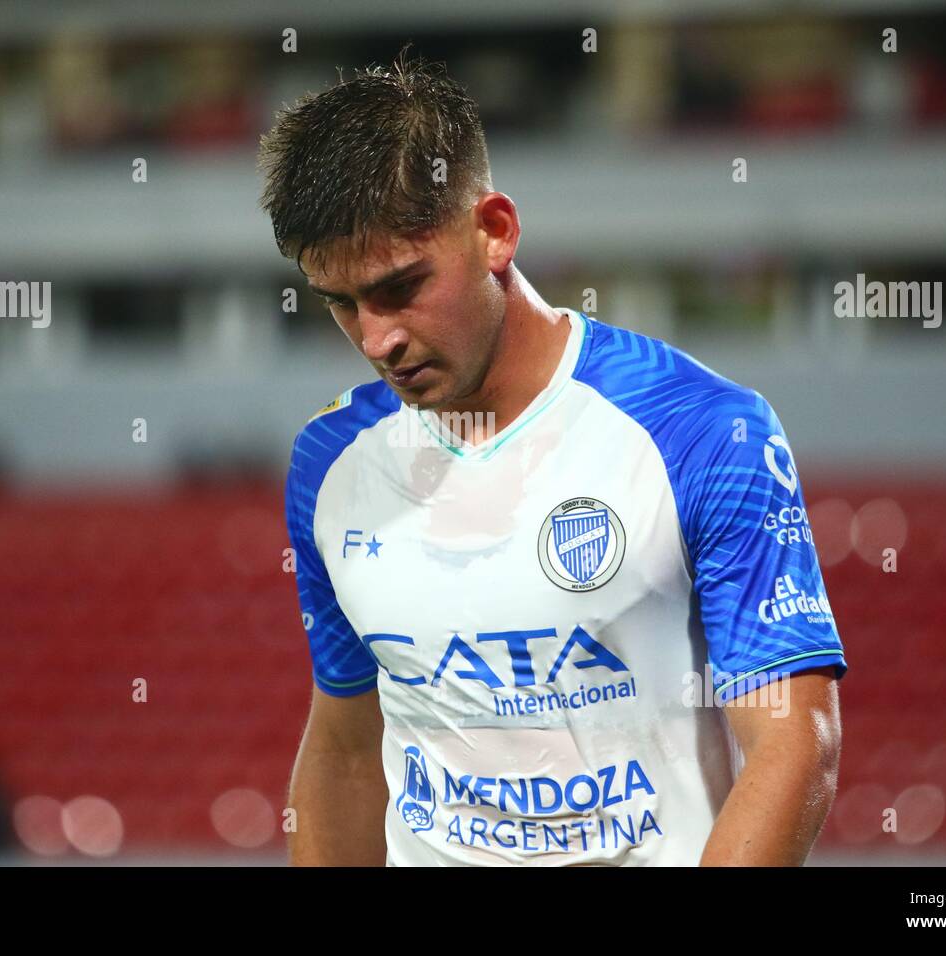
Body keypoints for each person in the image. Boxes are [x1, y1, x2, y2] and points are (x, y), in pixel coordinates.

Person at [258, 47, 846, 866]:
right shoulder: (330, 462)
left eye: (399, 288)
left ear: (494, 230)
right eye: (342, 305)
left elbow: (795, 744)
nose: (376, 339)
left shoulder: (703, 431)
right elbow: (347, 750)